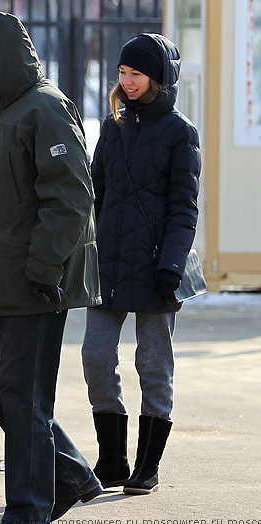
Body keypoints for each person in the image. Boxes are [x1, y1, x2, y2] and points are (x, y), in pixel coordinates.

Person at [0, 12, 103, 524]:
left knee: (24, 394)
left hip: (36, 282)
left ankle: (29, 509)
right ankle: (69, 474)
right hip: (5, 284)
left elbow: (70, 197)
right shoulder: (8, 112)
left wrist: (43, 267)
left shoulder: (45, 108)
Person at [81, 34, 200, 495]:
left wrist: (171, 264)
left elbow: (184, 206)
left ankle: (147, 466)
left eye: (137, 73)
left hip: (157, 267)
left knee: (152, 364)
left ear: (159, 77)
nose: (128, 82)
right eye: (123, 73)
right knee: (95, 357)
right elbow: (97, 190)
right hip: (109, 262)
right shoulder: (114, 125)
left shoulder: (179, 132)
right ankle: (112, 459)